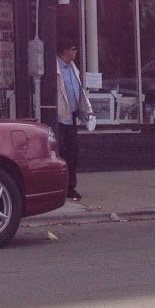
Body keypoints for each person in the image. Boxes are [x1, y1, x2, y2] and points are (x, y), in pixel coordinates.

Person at [54, 36, 93, 201]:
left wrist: (85, 111)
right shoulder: (54, 68)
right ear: (65, 52)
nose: (76, 52)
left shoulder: (72, 67)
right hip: (59, 118)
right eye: (73, 49)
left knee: (73, 152)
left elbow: (77, 90)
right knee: (59, 152)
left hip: (72, 117)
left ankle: (71, 187)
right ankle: (58, 187)